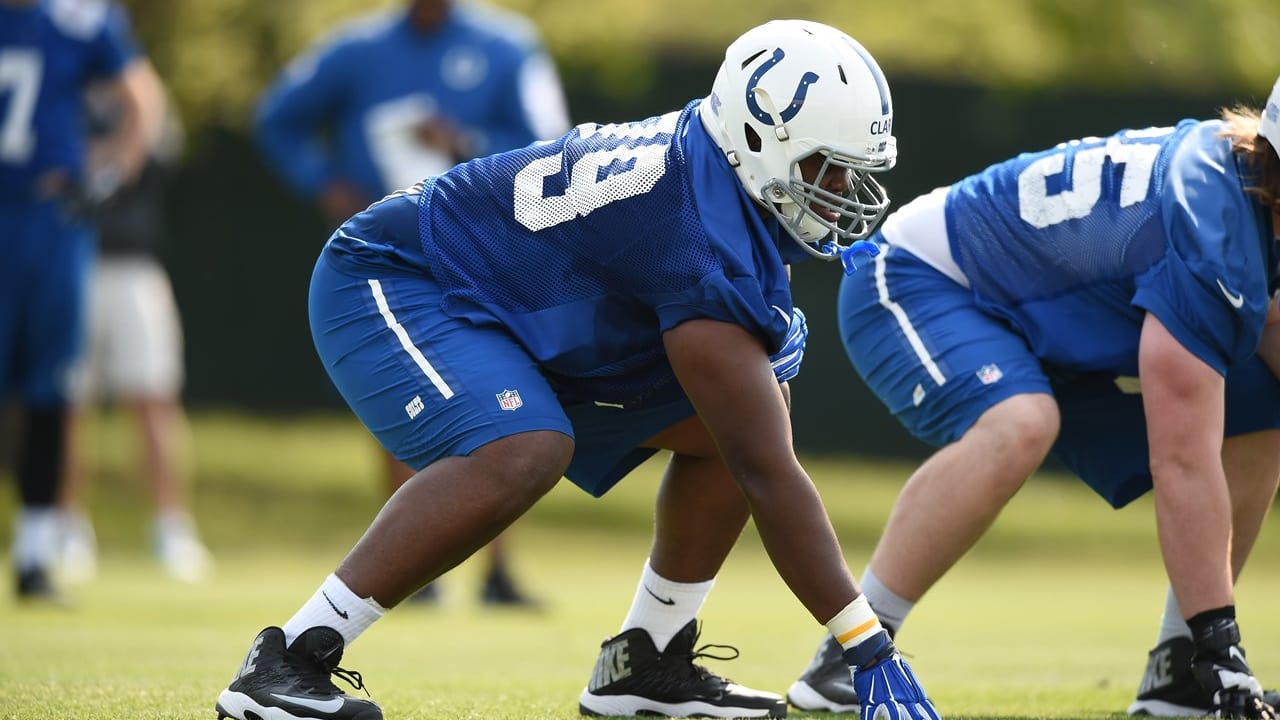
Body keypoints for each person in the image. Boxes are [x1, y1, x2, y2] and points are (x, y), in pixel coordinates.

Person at [215, 19, 941, 720]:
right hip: (397, 275)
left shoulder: (715, 173)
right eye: (829, 168)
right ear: (760, 138)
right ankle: (291, 659)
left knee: (742, 415)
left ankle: (647, 661)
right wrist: (865, 645)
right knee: (527, 447)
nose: (843, 192)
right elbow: (769, 474)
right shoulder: (695, 232)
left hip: (505, 305)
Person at [786, 75, 1280, 720]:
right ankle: (850, 654)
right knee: (1020, 421)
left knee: (1260, 413)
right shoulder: (1212, 227)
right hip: (915, 278)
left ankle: (1179, 673)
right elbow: (1183, 462)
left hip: (1045, 317)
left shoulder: (1247, 195)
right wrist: (1226, 644)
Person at [253, 0, 572, 607]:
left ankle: (497, 569)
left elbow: (553, 146)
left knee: (511, 402)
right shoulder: (356, 48)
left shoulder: (508, 44)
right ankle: (417, 566)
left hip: (486, 253)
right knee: (407, 400)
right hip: (390, 261)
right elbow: (278, 119)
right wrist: (324, 181)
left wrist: (464, 141)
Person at [0, 0, 152, 603]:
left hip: (46, 219)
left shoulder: (78, 18)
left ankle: (35, 553)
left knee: (49, 387)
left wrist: (111, 175)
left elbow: (141, 100)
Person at [55, 57, 214, 586]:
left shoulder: (140, 86)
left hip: (134, 264)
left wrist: (103, 155)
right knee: (64, 404)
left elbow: (153, 154)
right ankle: (66, 527)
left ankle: (172, 528)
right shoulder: (55, 78)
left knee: (153, 400)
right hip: (64, 262)